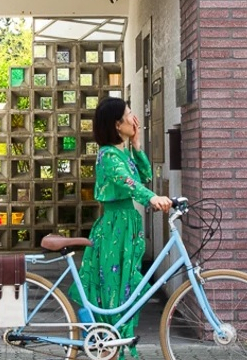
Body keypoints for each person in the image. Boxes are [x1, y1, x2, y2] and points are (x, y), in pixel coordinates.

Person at [70, 96, 172, 350]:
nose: (133, 118)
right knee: (116, 290)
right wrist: (152, 199)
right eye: (129, 113)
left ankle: (114, 346)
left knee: (126, 288)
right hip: (115, 227)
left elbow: (145, 176)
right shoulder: (107, 155)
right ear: (117, 124)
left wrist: (137, 145)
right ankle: (110, 346)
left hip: (127, 226)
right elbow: (129, 184)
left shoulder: (122, 153)